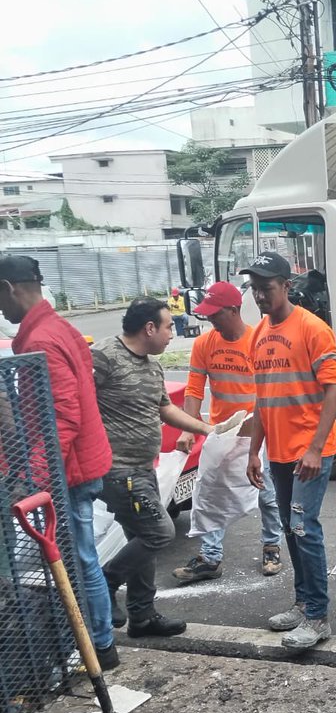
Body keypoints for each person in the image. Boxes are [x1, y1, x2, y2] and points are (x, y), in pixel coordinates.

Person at [0, 255, 118, 670]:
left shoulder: (41, 341)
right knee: (81, 556)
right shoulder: (58, 328)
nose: (0, 307)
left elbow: (63, 414)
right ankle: (98, 642)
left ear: (11, 288)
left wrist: (35, 474)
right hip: (76, 462)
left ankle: (98, 647)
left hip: (69, 469)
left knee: (80, 558)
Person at [93, 296, 217, 637]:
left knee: (141, 539)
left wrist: (204, 427)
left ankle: (142, 617)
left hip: (144, 468)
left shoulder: (151, 364)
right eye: (167, 328)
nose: (171, 335)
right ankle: (106, 580)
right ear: (149, 328)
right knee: (159, 532)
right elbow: (78, 406)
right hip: (118, 470)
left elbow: (165, 409)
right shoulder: (103, 357)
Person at [242, 252, 336, 651]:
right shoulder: (258, 334)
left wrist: (316, 448)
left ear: (286, 286)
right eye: (254, 289)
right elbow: (262, 399)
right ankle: (303, 604)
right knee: (289, 529)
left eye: (266, 288)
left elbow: (333, 389)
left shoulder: (313, 329)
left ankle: (318, 617)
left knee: (304, 527)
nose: (260, 296)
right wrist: (255, 453)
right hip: (280, 453)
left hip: (310, 450)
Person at [171, 280, 283, 583]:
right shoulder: (204, 344)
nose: (209, 320)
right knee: (210, 492)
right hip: (221, 432)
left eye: (214, 314)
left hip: (257, 432)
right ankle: (210, 557)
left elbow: (268, 391)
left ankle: (272, 545)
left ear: (233, 310)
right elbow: (195, 389)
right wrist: (188, 430)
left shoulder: (258, 341)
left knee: (266, 493)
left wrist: (258, 431)